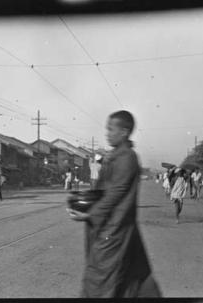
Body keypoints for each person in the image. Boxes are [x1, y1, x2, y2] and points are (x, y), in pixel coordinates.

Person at [67, 110, 161, 298]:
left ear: (124, 132)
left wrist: (89, 214)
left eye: (111, 129)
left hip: (114, 228)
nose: (107, 133)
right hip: (113, 226)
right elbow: (103, 191)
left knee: (99, 283)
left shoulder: (127, 157)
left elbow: (115, 194)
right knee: (129, 278)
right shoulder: (116, 156)